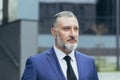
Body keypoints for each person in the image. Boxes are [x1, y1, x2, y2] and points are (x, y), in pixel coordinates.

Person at [22, 11, 99, 80]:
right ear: (54, 32)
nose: (73, 34)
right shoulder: (36, 64)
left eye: (76, 29)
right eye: (66, 29)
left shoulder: (89, 63)